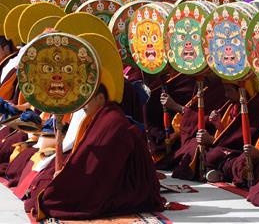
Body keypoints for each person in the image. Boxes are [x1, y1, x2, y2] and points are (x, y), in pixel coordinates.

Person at [22, 84, 164, 220]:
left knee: (56, 198)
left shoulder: (111, 121)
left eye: (87, 100)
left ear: (100, 98)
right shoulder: (102, 116)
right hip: (120, 178)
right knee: (49, 181)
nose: (83, 105)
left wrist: (67, 177)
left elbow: (98, 169)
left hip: (133, 186)